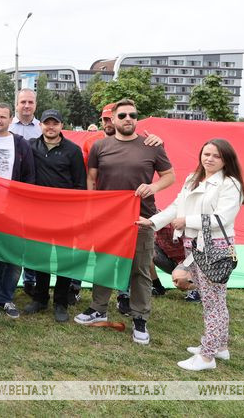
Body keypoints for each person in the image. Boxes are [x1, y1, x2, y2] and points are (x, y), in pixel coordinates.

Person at [74, 99, 175, 346]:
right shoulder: (100, 147)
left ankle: (140, 318)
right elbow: (91, 178)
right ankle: (99, 308)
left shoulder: (152, 146)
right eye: (123, 115)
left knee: (140, 268)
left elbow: (170, 176)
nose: (128, 118)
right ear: (113, 121)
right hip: (107, 218)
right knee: (104, 263)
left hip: (141, 217)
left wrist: (152, 187)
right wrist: (91, 207)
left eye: (132, 115)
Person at [140, 139, 244, 370]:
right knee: (215, 301)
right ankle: (220, 347)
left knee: (213, 303)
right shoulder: (192, 179)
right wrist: (151, 222)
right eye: (206, 153)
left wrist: (186, 221)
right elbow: (175, 207)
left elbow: (222, 219)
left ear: (226, 159)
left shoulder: (230, 184)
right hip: (193, 246)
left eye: (216, 156)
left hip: (214, 248)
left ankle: (207, 356)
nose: (209, 159)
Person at [23, 109, 86, 322]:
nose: (51, 127)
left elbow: (80, 184)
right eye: (47, 123)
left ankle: (60, 302)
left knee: (63, 259)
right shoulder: (30, 146)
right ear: (40, 124)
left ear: (61, 125)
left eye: (55, 123)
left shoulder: (73, 150)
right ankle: (40, 298)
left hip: (65, 215)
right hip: (38, 213)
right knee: (40, 257)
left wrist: (75, 212)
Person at [0, 102, 35, 320]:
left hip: (14, 209)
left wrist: (23, 206)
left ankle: (7, 297)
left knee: (14, 256)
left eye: (3, 117)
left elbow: (29, 177)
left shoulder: (20, 143)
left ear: (10, 118)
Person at [9, 88, 41, 295]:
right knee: (11, 238)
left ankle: (30, 280)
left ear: (35, 105)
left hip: (34, 192)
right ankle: (8, 281)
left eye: (30, 102)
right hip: (9, 193)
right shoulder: (4, 124)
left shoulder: (43, 127)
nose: (26, 106)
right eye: (23, 102)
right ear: (16, 104)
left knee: (33, 239)